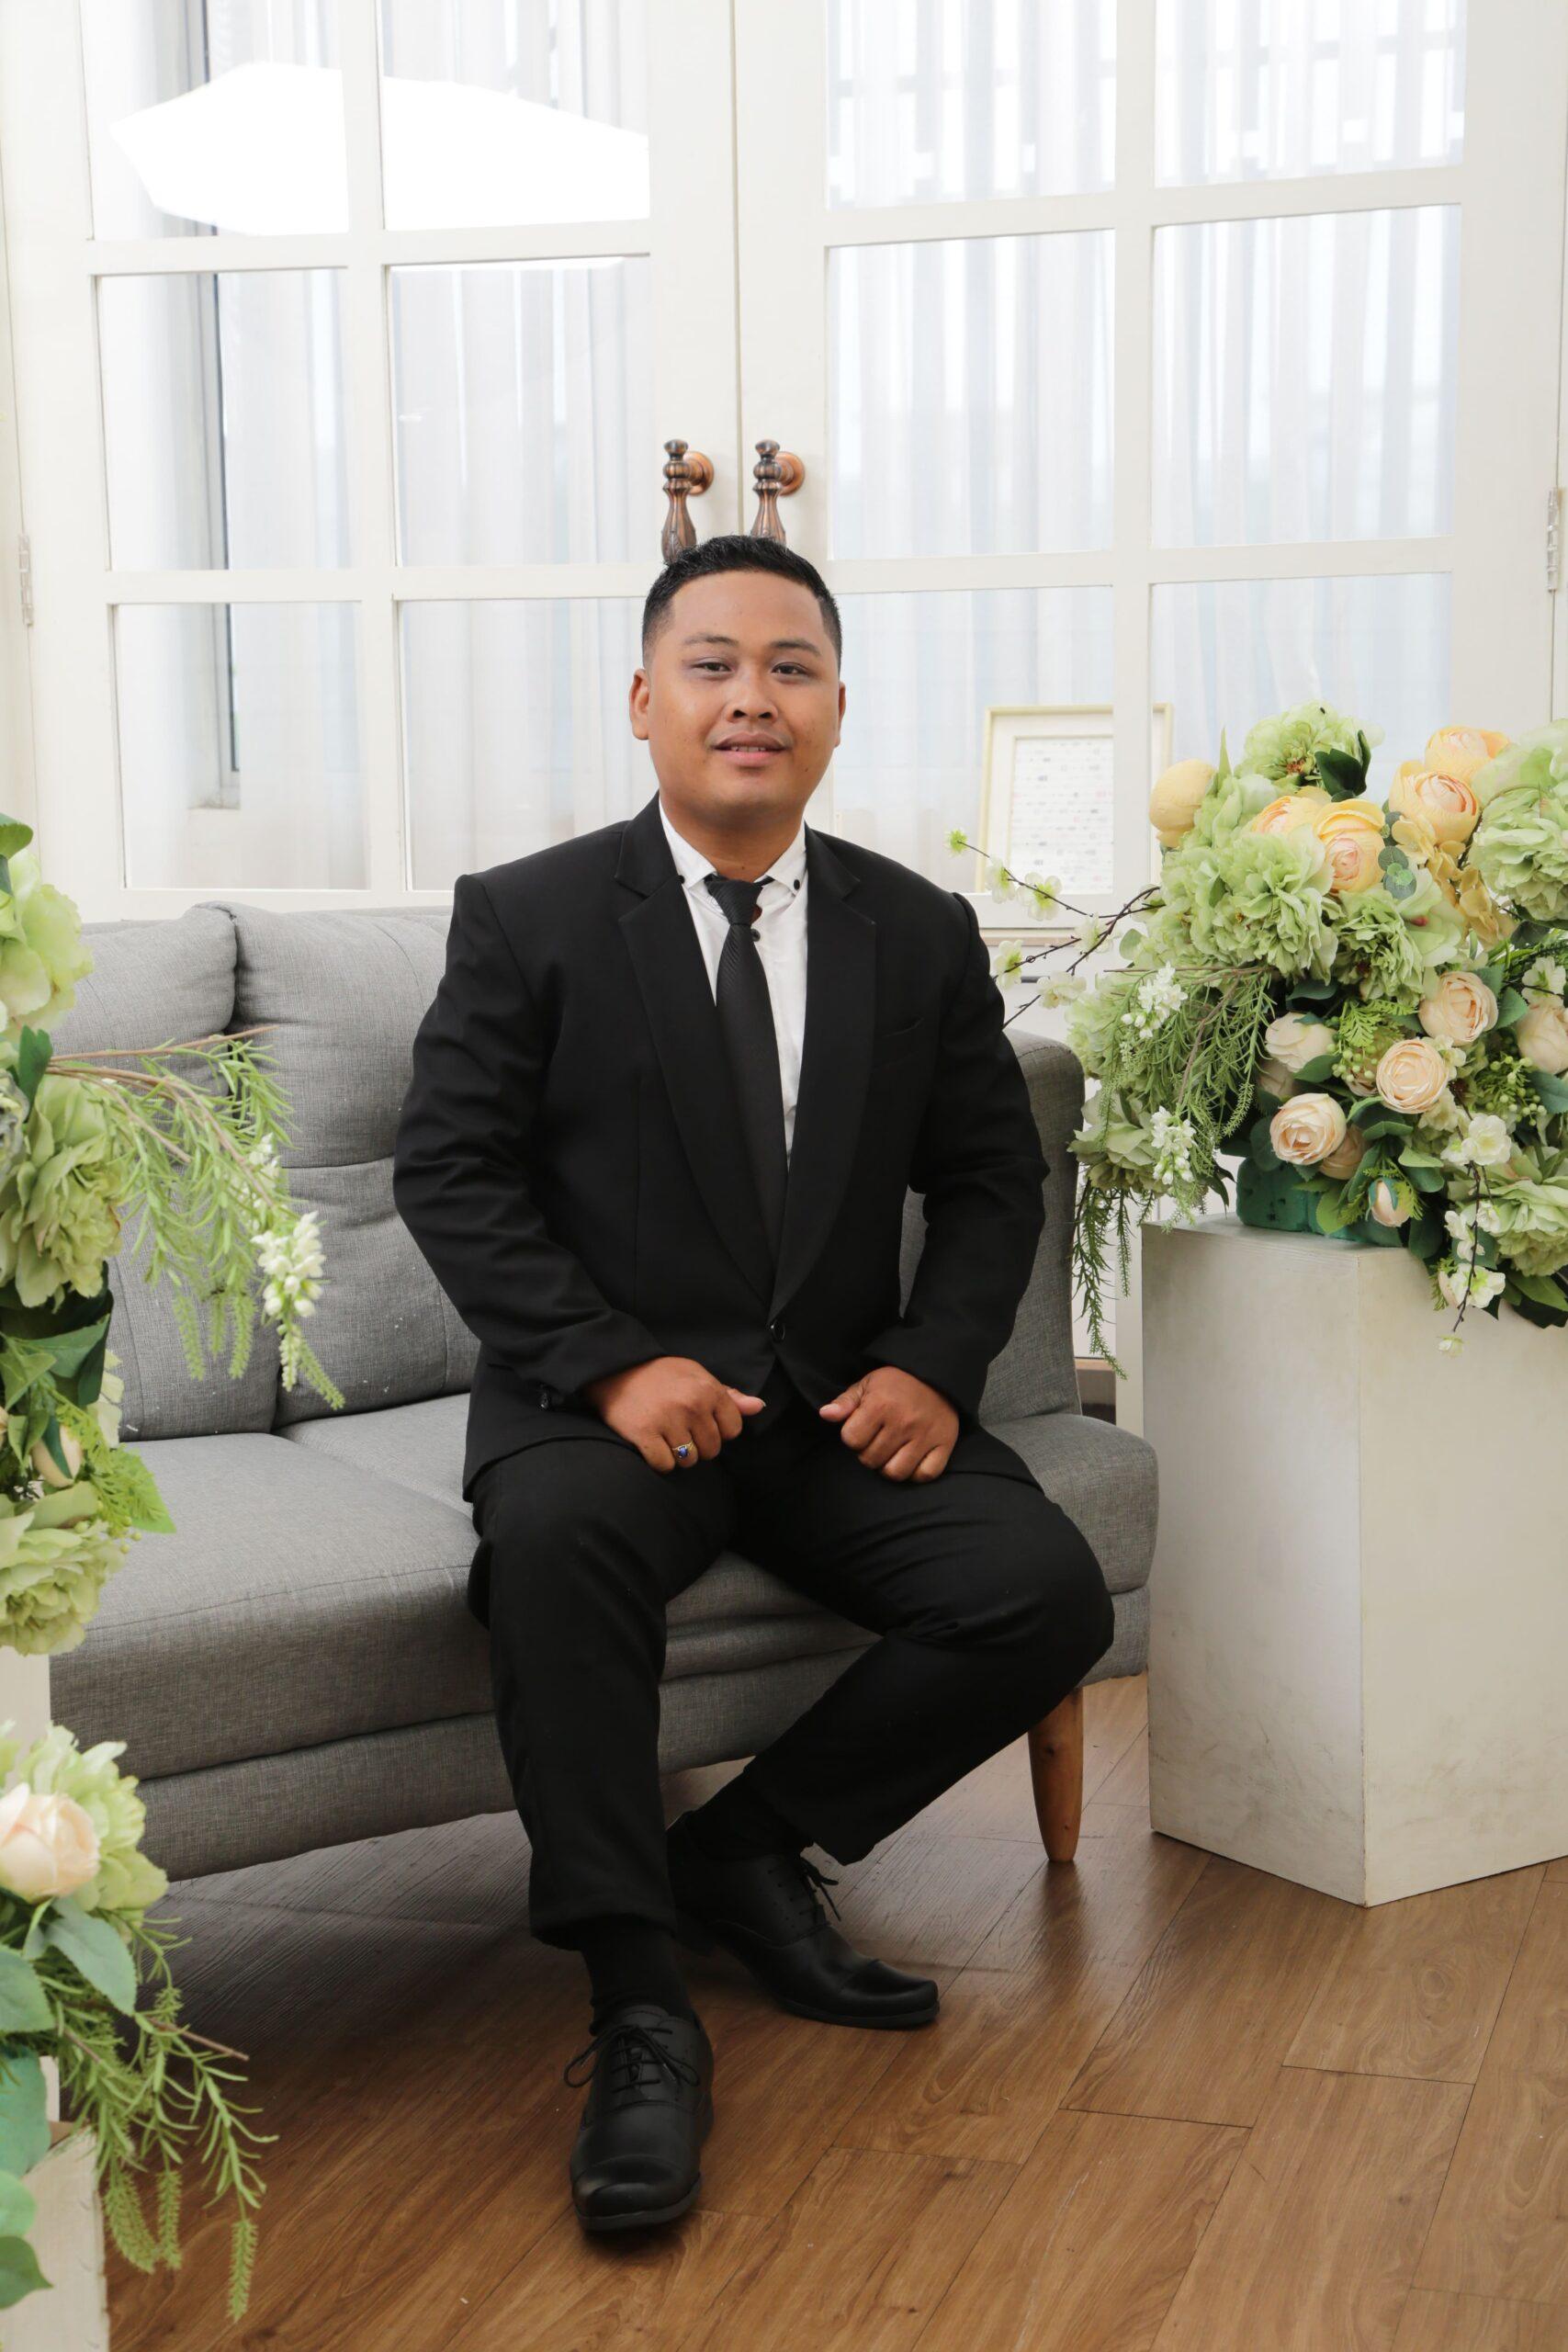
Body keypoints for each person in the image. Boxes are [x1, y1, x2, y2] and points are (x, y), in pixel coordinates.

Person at [391, 532, 1115, 2234]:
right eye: (710, 665)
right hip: (604, 1407)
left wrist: (935, 1365)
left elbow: (992, 1178)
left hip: (834, 1403)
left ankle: (741, 1851)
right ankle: (639, 2003)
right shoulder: (530, 916)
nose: (750, 699)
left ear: (838, 708)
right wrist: (606, 1364)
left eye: (791, 668)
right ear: (644, 701)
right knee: (553, 1557)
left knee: (1042, 1590)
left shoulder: (915, 930)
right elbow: (453, 1172)